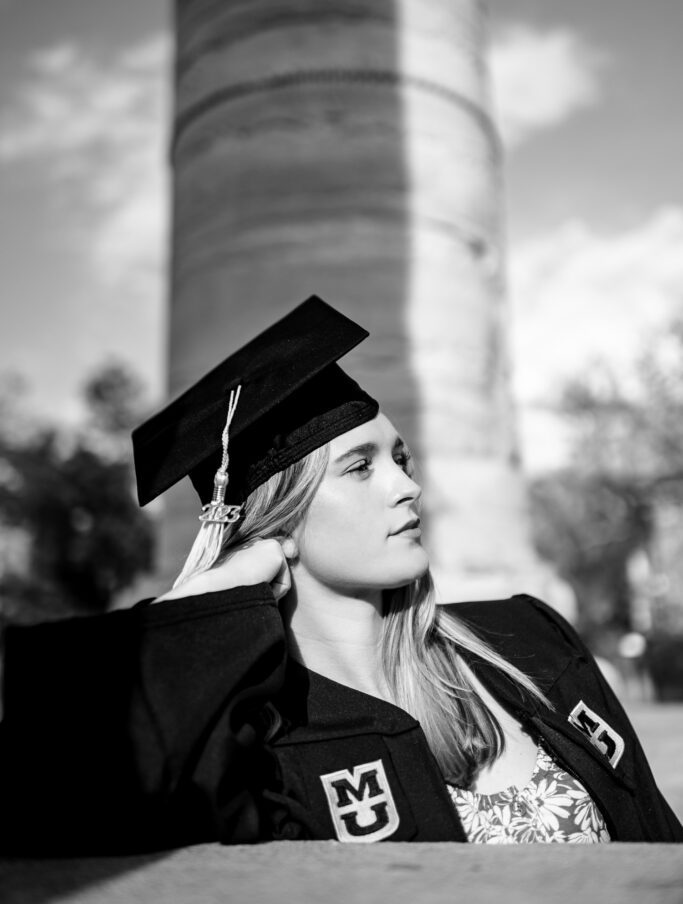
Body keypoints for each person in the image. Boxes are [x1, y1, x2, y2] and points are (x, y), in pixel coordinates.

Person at [1, 296, 681, 854]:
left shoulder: (529, 643)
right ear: (280, 524)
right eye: (359, 467)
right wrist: (213, 594)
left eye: (400, 459)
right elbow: (67, 798)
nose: (406, 487)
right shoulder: (261, 736)